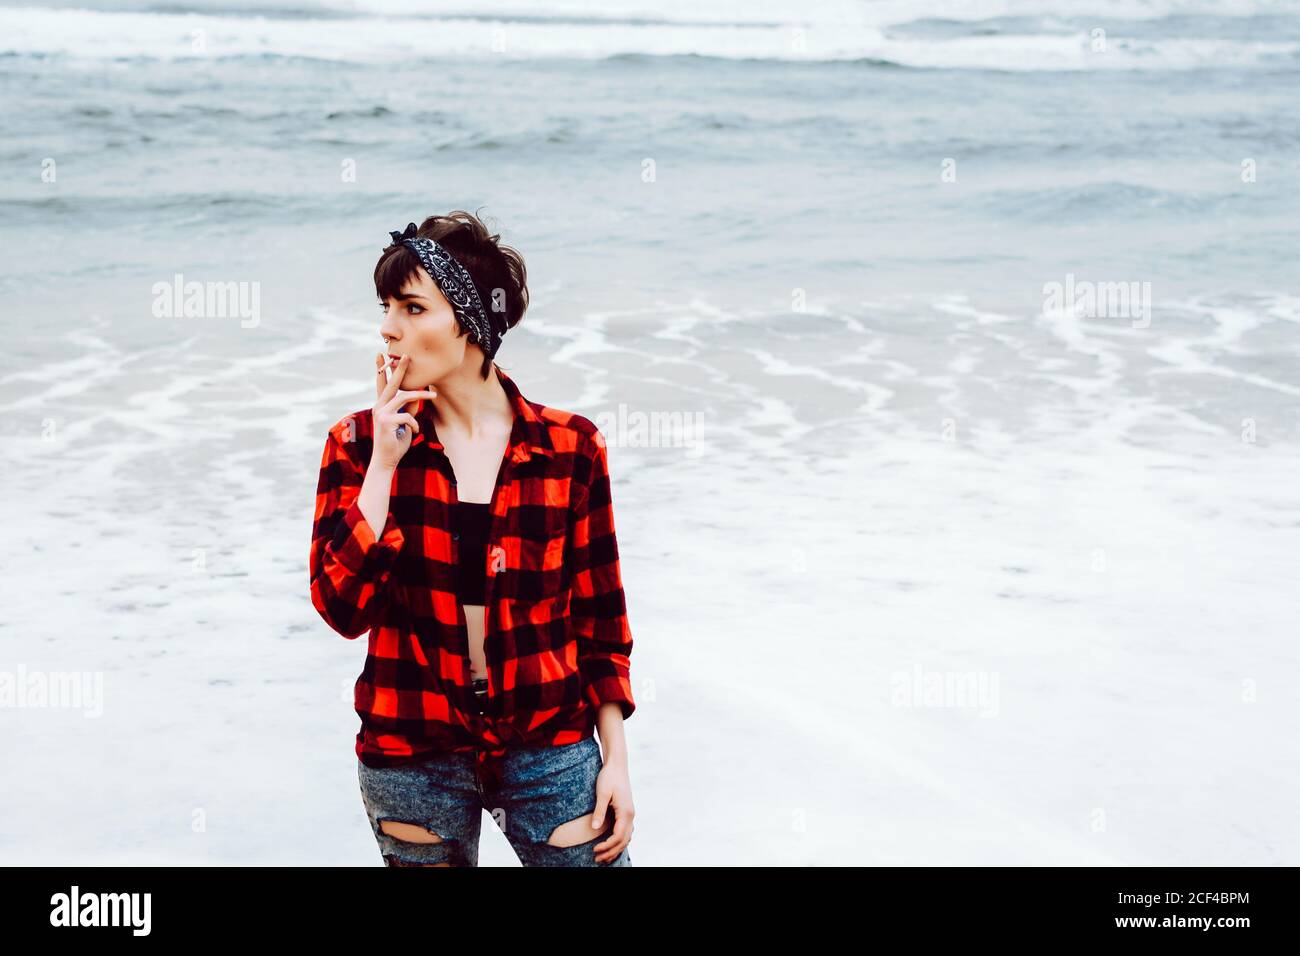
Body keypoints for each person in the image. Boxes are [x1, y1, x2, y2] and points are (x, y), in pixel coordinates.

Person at [309, 212, 636, 866]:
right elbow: (343, 609)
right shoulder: (356, 444)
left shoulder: (570, 447)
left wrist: (616, 763)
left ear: (470, 321)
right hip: (414, 749)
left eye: (411, 307)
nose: (388, 327)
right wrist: (383, 465)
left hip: (548, 741)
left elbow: (602, 624)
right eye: (386, 307)